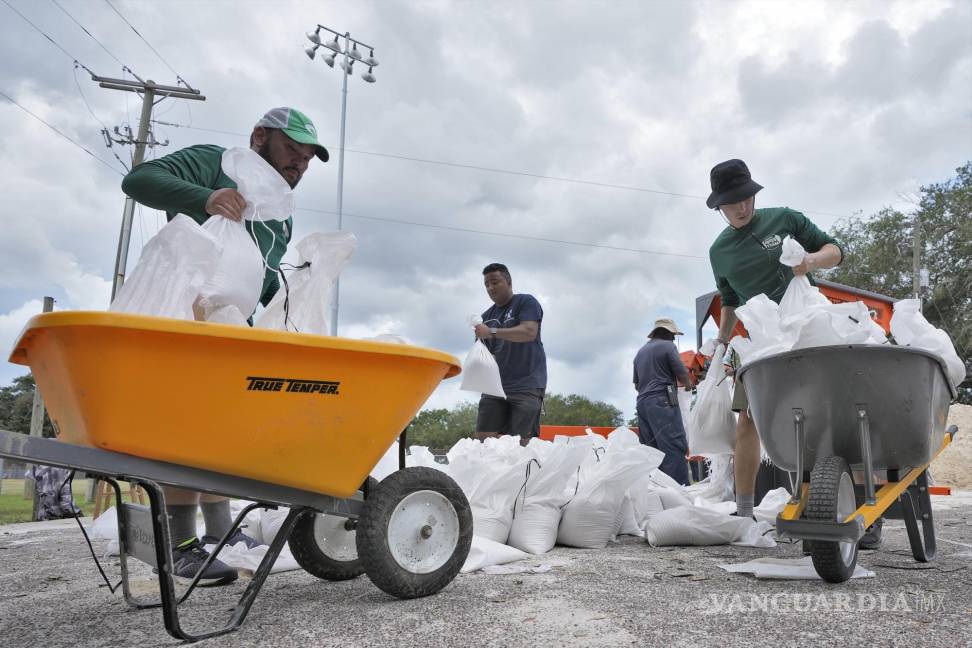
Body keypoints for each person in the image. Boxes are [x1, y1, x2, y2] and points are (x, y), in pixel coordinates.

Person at [121, 107, 329, 584]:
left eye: (305, 160)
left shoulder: (279, 217)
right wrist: (207, 196)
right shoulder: (216, 163)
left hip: (235, 329)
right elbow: (139, 181)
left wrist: (299, 299)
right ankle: (178, 541)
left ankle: (221, 530)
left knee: (219, 430)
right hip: (185, 314)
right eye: (290, 152)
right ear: (259, 137)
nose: (297, 165)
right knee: (187, 426)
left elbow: (263, 282)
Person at [705, 159, 858, 532]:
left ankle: (851, 506)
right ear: (718, 206)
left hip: (807, 325)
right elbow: (728, 298)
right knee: (748, 419)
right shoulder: (719, 251)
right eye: (732, 202)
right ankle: (743, 511)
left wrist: (811, 260)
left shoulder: (784, 219)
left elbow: (835, 250)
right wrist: (722, 344)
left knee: (834, 414)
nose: (741, 208)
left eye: (746, 198)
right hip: (758, 340)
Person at [472, 263, 547, 444]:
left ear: (509, 282)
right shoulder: (485, 316)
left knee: (521, 442)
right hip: (494, 387)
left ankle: (524, 467)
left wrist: (492, 331)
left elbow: (529, 332)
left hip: (526, 384)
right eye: (487, 285)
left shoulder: (525, 302)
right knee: (485, 439)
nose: (490, 288)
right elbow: (484, 355)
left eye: (495, 282)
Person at [633, 317, 696, 485]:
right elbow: (681, 372)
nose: (674, 338)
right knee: (673, 447)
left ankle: (655, 493)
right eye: (673, 335)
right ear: (666, 333)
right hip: (663, 402)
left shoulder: (640, 352)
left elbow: (637, 385)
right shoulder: (668, 346)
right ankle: (680, 494)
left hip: (642, 405)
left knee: (651, 451)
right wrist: (690, 386)